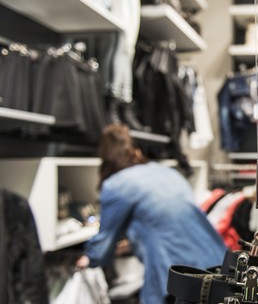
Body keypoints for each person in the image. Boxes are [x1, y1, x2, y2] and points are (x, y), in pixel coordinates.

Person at [76, 124, 227, 304]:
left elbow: (103, 244)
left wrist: (87, 259)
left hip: (180, 274)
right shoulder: (166, 172)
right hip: (217, 259)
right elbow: (167, 223)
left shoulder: (116, 185)